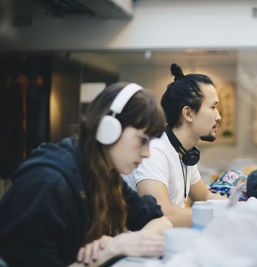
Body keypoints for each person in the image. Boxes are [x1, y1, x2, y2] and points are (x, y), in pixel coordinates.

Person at [0, 82, 172, 266]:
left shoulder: (104, 173)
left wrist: (122, 243)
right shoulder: (48, 183)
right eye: (142, 140)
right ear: (109, 129)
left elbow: (162, 222)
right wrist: (113, 249)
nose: (147, 153)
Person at [122, 64, 228, 227]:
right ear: (188, 113)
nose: (218, 116)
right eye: (213, 107)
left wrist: (247, 208)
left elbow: (204, 196)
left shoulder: (184, 153)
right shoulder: (155, 150)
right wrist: (229, 216)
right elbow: (161, 213)